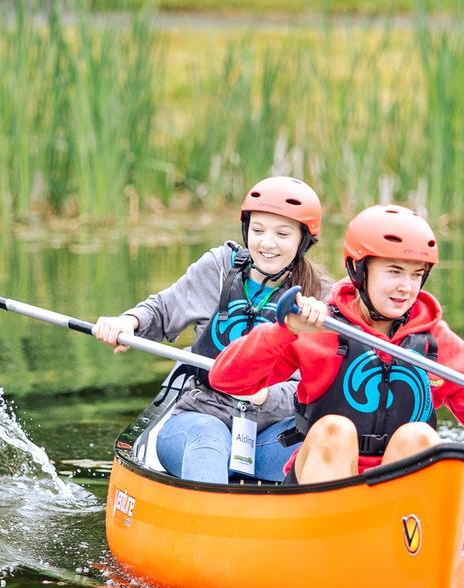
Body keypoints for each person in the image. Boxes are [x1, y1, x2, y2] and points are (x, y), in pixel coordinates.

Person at [209, 203, 464, 484]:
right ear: (359, 270)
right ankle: (330, 556)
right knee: (334, 430)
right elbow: (228, 380)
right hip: (319, 491)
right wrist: (283, 331)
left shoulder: (436, 342)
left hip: (396, 505)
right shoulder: (318, 327)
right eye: (393, 272)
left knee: (420, 436)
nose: (406, 287)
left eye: (415, 275)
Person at [93, 176, 330, 484]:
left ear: (303, 240)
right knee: (209, 435)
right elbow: (163, 310)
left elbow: (312, 389)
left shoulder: (319, 298)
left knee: (321, 440)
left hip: (266, 436)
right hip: (199, 418)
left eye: (282, 234)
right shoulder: (218, 268)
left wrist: (264, 395)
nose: (267, 243)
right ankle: (209, 527)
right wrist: (129, 322)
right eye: (257, 231)